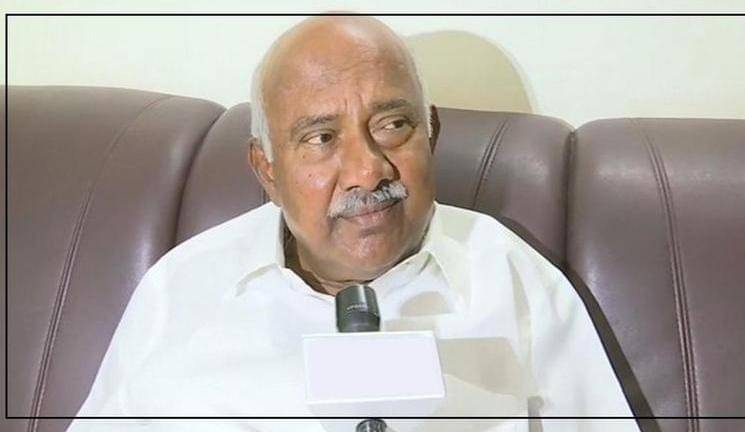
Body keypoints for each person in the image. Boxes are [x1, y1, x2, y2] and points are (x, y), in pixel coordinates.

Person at [67, 16, 640, 432]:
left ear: (431, 134)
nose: (367, 170)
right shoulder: (181, 289)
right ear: (267, 170)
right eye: (321, 138)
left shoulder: (512, 277)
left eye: (392, 126)